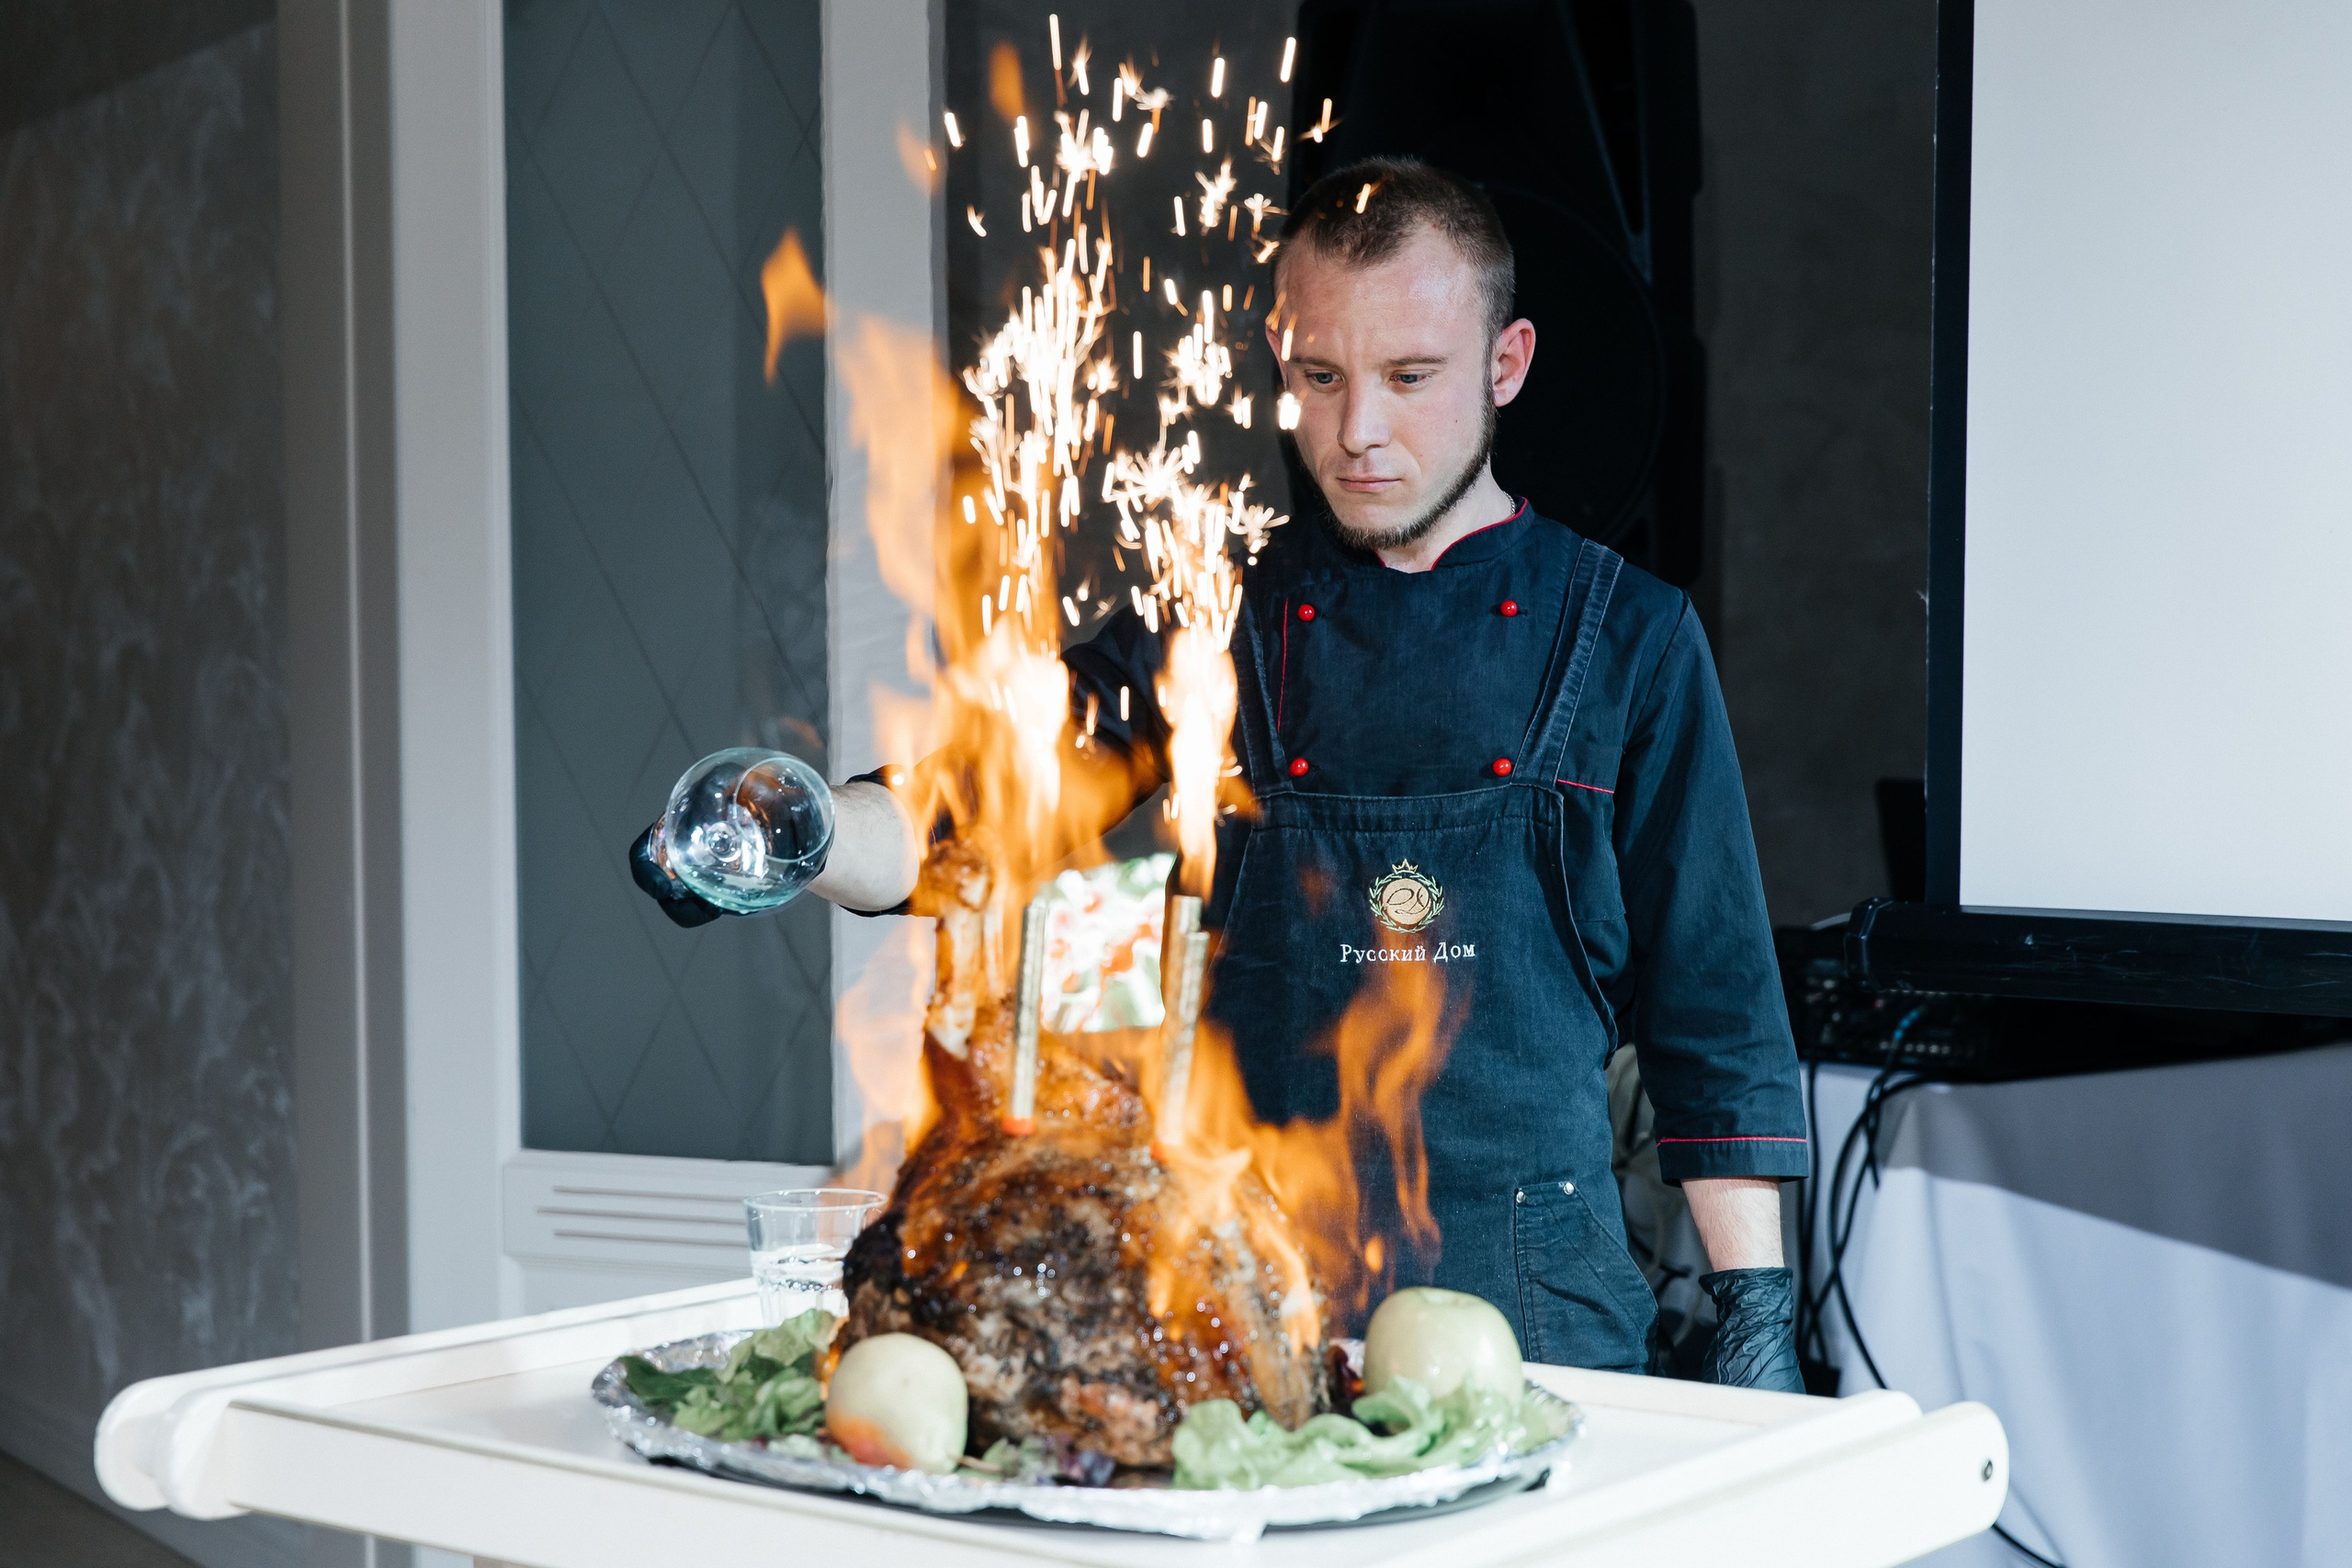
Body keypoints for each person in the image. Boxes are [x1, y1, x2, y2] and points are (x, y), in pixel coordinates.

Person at [638, 157, 1807, 1391]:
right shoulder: (1217, 616)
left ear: (1505, 364)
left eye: (1411, 378)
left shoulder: (1631, 639)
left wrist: (1758, 1316)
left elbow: (1715, 1011)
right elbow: (981, 805)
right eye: (1320, 377)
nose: (1357, 431)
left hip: (1536, 1317)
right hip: (1249, 1314)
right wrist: (799, 830)